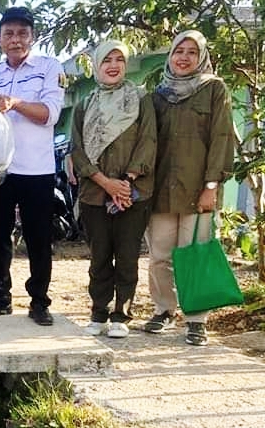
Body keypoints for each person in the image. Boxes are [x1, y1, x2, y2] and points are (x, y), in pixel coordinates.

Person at [0, 6, 64, 326]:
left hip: (36, 169)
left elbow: (50, 114)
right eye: (9, 33)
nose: (15, 39)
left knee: (39, 238)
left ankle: (39, 302)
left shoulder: (49, 68)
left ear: (32, 37)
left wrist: (16, 103)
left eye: (22, 33)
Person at [144, 29, 234, 346]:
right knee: (159, 257)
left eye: (191, 52)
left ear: (201, 57)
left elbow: (222, 139)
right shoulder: (157, 95)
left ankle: (196, 319)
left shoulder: (214, 89)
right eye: (178, 51)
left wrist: (211, 186)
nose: (184, 57)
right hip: (162, 191)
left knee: (194, 254)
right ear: (170, 55)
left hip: (199, 190)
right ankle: (164, 310)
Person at [70, 40, 156, 339]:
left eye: (119, 59)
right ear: (96, 65)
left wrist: (126, 182)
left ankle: (122, 315)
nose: (113, 65)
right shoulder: (84, 105)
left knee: (128, 255)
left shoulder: (141, 99)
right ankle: (99, 312)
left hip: (134, 193)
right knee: (100, 256)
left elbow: (148, 141)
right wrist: (105, 182)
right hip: (95, 192)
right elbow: (77, 150)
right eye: (107, 59)